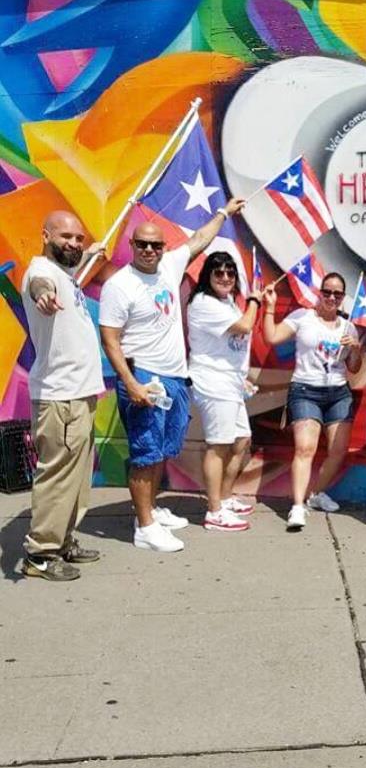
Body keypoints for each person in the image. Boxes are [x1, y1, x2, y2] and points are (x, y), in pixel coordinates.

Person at [99, 197, 245, 553]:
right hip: (146, 375)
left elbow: (198, 240)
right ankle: (145, 527)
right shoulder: (120, 285)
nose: (150, 250)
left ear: (163, 248)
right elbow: (110, 341)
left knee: (164, 448)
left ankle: (148, 509)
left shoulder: (170, 265)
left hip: (176, 377)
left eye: (155, 245)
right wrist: (131, 383)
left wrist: (224, 213)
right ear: (132, 246)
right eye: (143, 244)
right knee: (145, 453)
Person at [20, 211, 106, 580]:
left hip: (80, 394)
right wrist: (43, 296)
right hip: (61, 397)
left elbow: (69, 268)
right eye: (65, 236)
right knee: (57, 475)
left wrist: (91, 254)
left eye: (79, 238)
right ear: (45, 235)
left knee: (77, 477)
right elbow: (40, 283)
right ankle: (40, 553)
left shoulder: (67, 275)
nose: (73, 243)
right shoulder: (42, 272)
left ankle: (64, 538)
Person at [262, 272, 363, 531]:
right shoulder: (303, 317)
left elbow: (353, 368)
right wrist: (270, 307)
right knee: (305, 449)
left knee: (338, 451)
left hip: (339, 392)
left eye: (337, 294)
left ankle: (316, 494)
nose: (331, 297)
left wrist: (355, 349)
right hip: (306, 390)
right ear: (320, 292)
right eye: (327, 292)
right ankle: (297, 507)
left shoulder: (348, 326)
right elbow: (272, 337)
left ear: (343, 298)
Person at [187, 252, 263, 532]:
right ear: (207, 275)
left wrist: (240, 378)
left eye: (230, 273)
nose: (226, 278)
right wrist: (254, 301)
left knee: (242, 439)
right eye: (219, 272)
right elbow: (244, 326)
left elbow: (231, 345)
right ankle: (214, 511)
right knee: (218, 445)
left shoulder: (227, 302)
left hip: (230, 383)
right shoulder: (204, 303)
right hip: (212, 382)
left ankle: (225, 496)